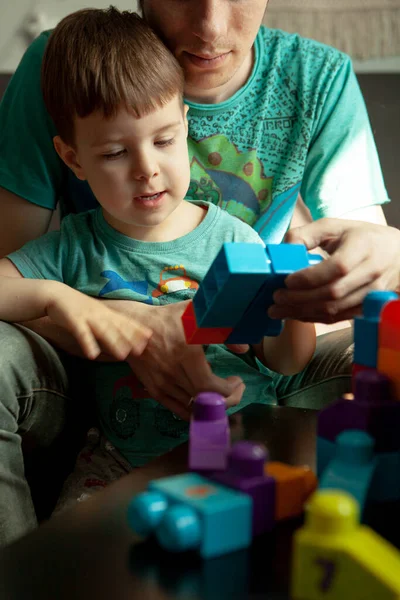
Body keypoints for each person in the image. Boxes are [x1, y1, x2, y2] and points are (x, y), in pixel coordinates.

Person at [0, 0, 399, 543]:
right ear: (74, 159)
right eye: (116, 152)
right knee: (77, 554)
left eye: (164, 142)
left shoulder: (234, 237)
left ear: (184, 128)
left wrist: (293, 300)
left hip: (239, 443)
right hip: (119, 451)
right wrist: (66, 302)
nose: (146, 170)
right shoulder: (77, 242)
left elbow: (288, 357)